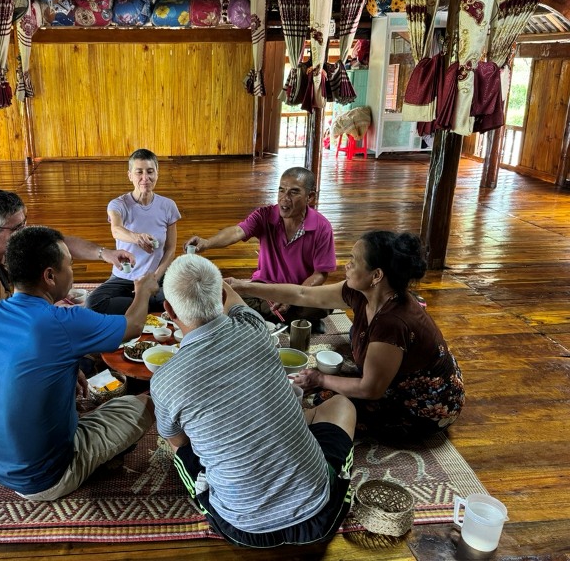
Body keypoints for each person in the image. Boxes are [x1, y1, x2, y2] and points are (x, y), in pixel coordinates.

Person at [151, 254, 356, 548]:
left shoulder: (164, 380)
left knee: (180, 449)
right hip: (320, 518)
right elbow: (231, 298)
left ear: (168, 309)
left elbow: (179, 440)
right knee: (342, 406)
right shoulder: (255, 327)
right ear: (221, 295)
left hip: (242, 529)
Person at [0, 226, 157, 500]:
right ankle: (91, 462)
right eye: (69, 265)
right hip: (46, 478)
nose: (72, 272)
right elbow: (133, 326)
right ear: (49, 276)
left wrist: (69, 369)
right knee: (152, 400)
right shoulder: (63, 322)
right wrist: (143, 290)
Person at [228, 230, 465, 441]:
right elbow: (302, 294)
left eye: (354, 260)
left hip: (426, 405)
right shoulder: (363, 293)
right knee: (318, 390)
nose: (346, 265)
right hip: (391, 378)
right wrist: (243, 286)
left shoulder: (392, 321)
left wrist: (319, 379)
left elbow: (371, 390)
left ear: (377, 275)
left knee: (322, 404)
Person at [0, 189, 135, 381]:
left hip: (6, 324)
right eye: (18, 228)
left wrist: (105, 253)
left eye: (24, 223)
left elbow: (53, 244)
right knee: (78, 360)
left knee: (86, 345)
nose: (24, 230)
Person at [183, 167, 335, 331]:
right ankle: (295, 322)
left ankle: (262, 318)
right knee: (219, 294)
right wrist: (207, 243)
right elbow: (237, 231)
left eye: (294, 192)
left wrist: (292, 298)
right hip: (263, 289)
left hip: (298, 292)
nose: (285, 198)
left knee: (325, 302)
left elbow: (320, 274)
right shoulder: (265, 215)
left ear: (309, 197)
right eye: (281, 190)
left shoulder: (322, 227)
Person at [86, 149, 180, 315]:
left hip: (155, 277)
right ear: (130, 175)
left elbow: (171, 249)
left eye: (150, 172)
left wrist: (155, 278)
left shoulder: (168, 206)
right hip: (125, 278)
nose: (145, 178)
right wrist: (137, 238)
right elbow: (116, 230)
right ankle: (146, 305)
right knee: (93, 303)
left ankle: (137, 305)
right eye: (139, 172)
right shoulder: (118, 204)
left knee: (182, 300)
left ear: (157, 173)